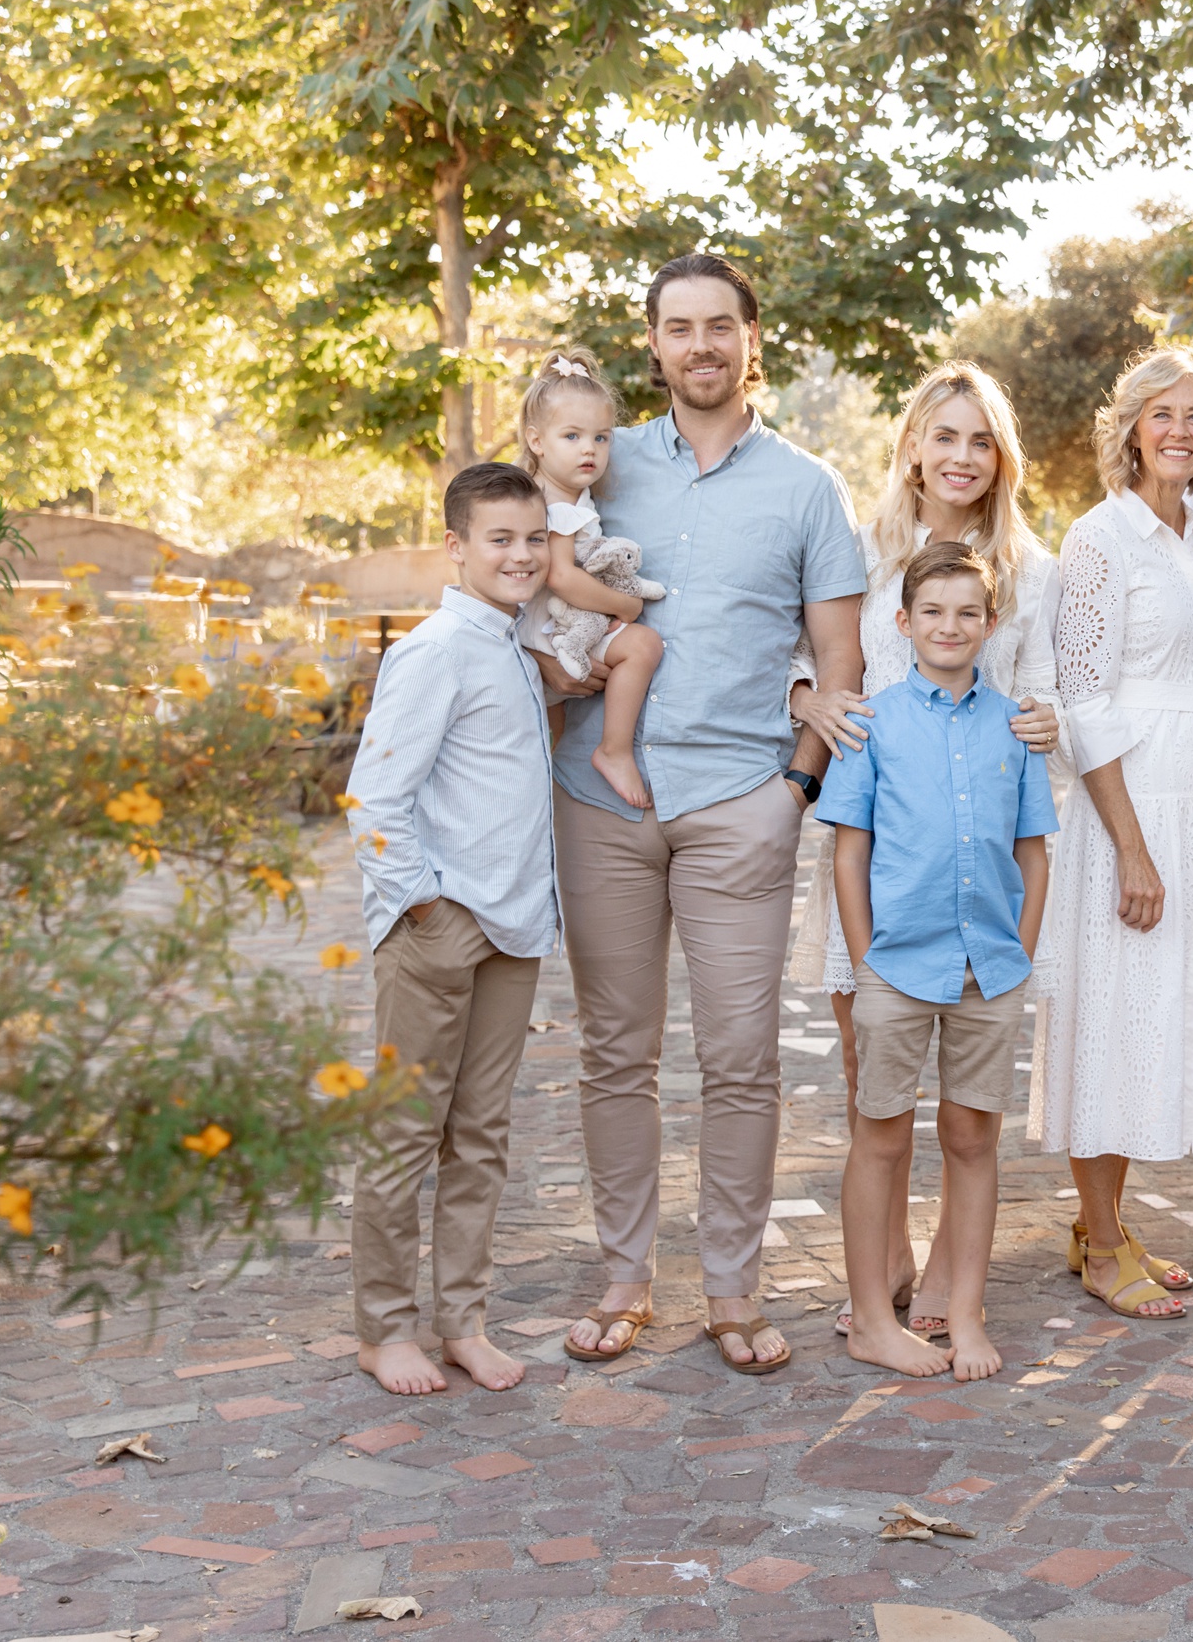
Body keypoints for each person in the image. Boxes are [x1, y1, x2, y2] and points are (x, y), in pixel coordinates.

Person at [542, 253, 866, 1374]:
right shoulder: (596, 462)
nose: (700, 346)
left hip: (741, 805)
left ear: (751, 338)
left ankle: (733, 1285)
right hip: (599, 798)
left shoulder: (807, 487)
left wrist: (798, 790)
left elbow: (841, 660)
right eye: (678, 328)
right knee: (615, 1054)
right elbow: (515, 578)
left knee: (739, 1057)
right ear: (654, 345)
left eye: (718, 325)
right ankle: (624, 1274)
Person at [786, 362, 1061, 1340]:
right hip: (879, 853)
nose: (960, 455)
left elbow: (1045, 691)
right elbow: (804, 656)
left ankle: (954, 1268)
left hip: (976, 858)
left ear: (1001, 457)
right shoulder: (859, 552)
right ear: (911, 444)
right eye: (943, 435)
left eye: (979, 439)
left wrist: (1041, 719)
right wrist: (807, 699)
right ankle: (885, 1265)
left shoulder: (1031, 569)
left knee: (969, 1108)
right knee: (877, 1081)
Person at [1030, 346, 1193, 1320]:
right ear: (1129, 427)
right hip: (1133, 806)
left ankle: (1102, 1221)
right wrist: (1128, 844)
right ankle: (1102, 1236)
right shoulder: (1098, 536)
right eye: (1161, 413)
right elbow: (1082, 698)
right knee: (1110, 1019)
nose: (1179, 431)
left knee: (1158, 1016)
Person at [345, 462, 560, 1397]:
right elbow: (376, 797)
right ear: (457, 546)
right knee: (405, 1130)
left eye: (534, 538)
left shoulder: (515, 645)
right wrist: (424, 906)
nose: (521, 555)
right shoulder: (435, 648)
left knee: (481, 1134)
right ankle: (384, 1327)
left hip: (513, 925)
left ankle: (463, 1320)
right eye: (501, 539)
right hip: (443, 926)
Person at [822, 541, 1056, 1382]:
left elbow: (1034, 852)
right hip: (897, 966)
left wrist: (1018, 953)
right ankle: (873, 1322)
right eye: (933, 611)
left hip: (988, 970)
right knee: (879, 1137)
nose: (950, 626)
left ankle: (964, 1312)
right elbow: (851, 855)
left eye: (967, 612)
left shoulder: (1015, 726)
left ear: (990, 625)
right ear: (904, 622)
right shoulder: (874, 724)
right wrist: (865, 961)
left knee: (972, 1139)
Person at [515, 348, 665, 811]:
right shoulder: (555, 504)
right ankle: (614, 750)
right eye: (572, 436)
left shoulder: (567, 493)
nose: (589, 449)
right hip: (547, 635)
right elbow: (560, 575)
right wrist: (626, 608)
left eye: (601, 438)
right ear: (537, 441)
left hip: (556, 631)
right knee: (643, 645)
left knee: (545, 749)